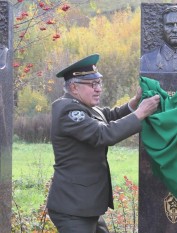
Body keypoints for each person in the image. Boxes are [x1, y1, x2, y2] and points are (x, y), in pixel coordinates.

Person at [46, 54, 160, 233]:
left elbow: (108, 116)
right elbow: (103, 134)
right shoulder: (68, 110)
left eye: (99, 83)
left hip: (86, 205)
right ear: (74, 87)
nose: (98, 89)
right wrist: (141, 113)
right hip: (72, 208)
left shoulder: (85, 106)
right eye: (92, 84)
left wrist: (135, 102)